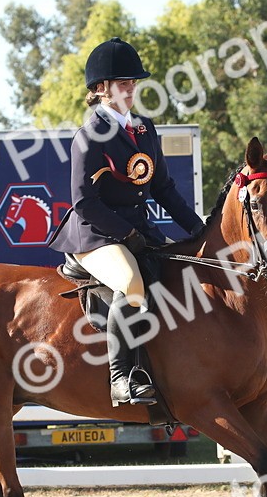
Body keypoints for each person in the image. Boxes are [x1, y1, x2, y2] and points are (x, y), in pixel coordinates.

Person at [48, 37, 205, 407]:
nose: (131, 88)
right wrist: (127, 233)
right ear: (101, 90)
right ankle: (120, 379)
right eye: (123, 83)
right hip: (95, 236)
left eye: (133, 82)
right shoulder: (88, 137)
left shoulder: (146, 130)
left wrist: (200, 232)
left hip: (139, 232)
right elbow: (84, 202)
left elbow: (164, 189)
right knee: (133, 284)